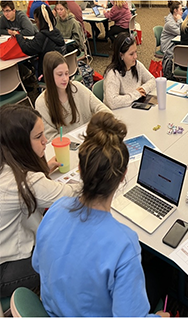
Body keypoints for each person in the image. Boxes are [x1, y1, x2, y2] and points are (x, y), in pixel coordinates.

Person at [31, 112, 170, 317]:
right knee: (163, 271)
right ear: (123, 176)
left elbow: (37, 264)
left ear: (80, 168)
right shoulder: (124, 244)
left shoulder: (56, 209)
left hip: (53, 309)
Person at [0, 104, 80, 298]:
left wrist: (44, 170)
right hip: (5, 270)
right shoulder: (25, 182)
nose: (46, 142)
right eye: (38, 137)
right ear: (18, 143)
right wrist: (92, 173)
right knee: (74, 254)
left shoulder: (7, 165)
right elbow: (69, 193)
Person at [35, 51, 112, 141]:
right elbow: (51, 139)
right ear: (49, 76)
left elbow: (102, 109)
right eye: (60, 74)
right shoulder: (41, 103)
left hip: (91, 141)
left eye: (67, 73)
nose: (65, 78)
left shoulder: (77, 87)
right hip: (66, 149)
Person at [104, 33, 155, 109]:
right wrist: (136, 94)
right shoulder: (113, 74)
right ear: (121, 55)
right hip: (118, 113)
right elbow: (112, 102)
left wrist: (144, 89)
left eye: (136, 52)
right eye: (131, 54)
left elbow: (152, 80)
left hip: (132, 108)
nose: (135, 56)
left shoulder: (136, 65)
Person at [16, 5, 66, 78]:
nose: (36, 24)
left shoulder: (42, 35)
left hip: (47, 75)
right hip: (59, 72)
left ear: (40, 21)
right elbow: (36, 43)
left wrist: (18, 36)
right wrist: (25, 39)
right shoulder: (55, 32)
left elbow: (27, 49)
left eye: (36, 21)